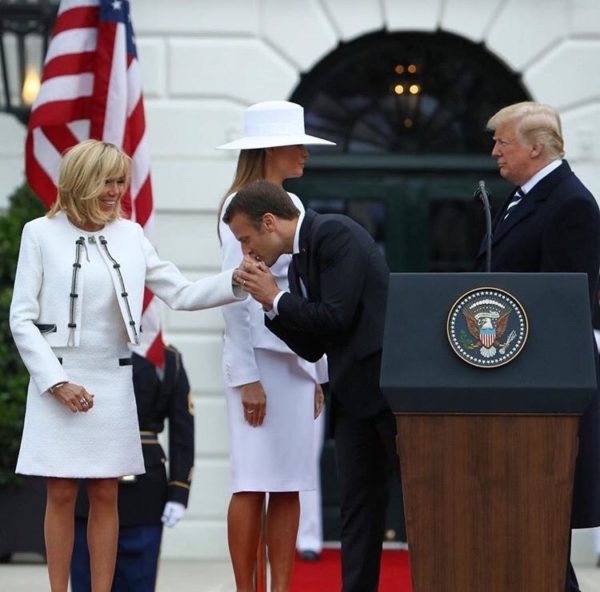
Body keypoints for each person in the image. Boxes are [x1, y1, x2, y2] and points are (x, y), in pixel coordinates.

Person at [9, 139, 244, 592]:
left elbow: (179, 292)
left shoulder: (132, 235)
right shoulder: (39, 233)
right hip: (57, 379)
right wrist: (57, 382)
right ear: (82, 181)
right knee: (59, 493)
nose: (117, 190)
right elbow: (21, 319)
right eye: (108, 181)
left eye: (121, 180)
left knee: (106, 492)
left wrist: (232, 282)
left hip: (112, 382)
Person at [225, 179, 397, 592]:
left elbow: (335, 317)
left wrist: (277, 298)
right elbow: (313, 344)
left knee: (422, 498)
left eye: (247, 240)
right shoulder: (301, 257)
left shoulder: (334, 233)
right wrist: (270, 304)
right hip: (355, 396)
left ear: (269, 222)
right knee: (358, 508)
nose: (247, 252)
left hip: (391, 393)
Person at [475, 101, 600, 592]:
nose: (495, 152)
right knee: (522, 525)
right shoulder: (524, 197)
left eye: (502, 142)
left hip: (542, 390)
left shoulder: (569, 204)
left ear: (535, 146)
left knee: (539, 523)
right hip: (513, 380)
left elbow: (560, 307)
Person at [216, 100, 331, 592]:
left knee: (289, 482)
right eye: (296, 142)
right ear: (271, 148)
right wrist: (246, 378)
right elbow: (234, 297)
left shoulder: (295, 207)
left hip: (294, 363)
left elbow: (304, 292)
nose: (304, 151)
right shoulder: (238, 205)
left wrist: (317, 371)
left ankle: (281, 587)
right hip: (259, 363)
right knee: (251, 479)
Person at [70, 343, 193, 591]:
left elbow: (183, 431)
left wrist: (179, 491)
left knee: (139, 582)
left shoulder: (167, 357)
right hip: (89, 484)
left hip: (144, 492)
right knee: (87, 583)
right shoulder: (85, 348)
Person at [296, 407, 325, 562]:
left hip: (306, 387)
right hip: (266, 391)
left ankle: (309, 539)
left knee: (308, 468)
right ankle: (266, 541)